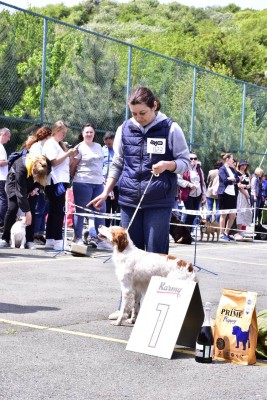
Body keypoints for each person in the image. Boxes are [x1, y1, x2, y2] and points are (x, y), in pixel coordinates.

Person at [88, 86, 190, 319]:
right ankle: (126, 309)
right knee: (127, 258)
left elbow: (185, 161)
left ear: (154, 106)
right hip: (129, 199)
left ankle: (155, 310)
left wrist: (168, 165)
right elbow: (118, 163)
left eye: (142, 113)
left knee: (154, 257)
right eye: (134, 113)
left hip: (158, 200)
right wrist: (106, 191)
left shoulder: (171, 128)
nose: (138, 118)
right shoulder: (125, 129)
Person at [0, 152, 50, 249]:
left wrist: (36, 188)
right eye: (35, 175)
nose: (36, 177)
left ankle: (29, 240)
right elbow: (20, 192)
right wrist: (27, 212)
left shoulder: (46, 164)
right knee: (13, 208)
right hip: (15, 182)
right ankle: (5, 238)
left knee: (33, 210)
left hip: (32, 185)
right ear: (33, 168)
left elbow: (42, 178)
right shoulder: (22, 166)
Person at [42, 120, 78, 251]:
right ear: (56, 131)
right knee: (58, 210)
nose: (64, 135)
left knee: (54, 210)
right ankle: (57, 240)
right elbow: (54, 162)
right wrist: (67, 154)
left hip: (60, 180)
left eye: (65, 133)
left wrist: (70, 155)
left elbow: (64, 163)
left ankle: (51, 239)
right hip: (55, 181)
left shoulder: (58, 144)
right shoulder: (51, 144)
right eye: (62, 132)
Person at [70, 123, 106, 245]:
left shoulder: (99, 146)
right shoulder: (79, 147)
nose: (89, 134)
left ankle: (100, 239)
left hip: (98, 183)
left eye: (91, 132)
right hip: (82, 182)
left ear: (94, 134)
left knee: (100, 211)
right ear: (82, 134)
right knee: (81, 211)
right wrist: (76, 177)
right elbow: (72, 166)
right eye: (87, 132)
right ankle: (78, 238)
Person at [27, 126, 52, 244]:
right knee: (38, 208)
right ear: (46, 136)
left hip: (46, 181)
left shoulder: (47, 147)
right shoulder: (36, 147)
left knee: (44, 209)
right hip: (38, 181)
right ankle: (34, 234)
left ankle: (40, 232)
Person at [177, 152, 206, 231]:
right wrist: (189, 184)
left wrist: (204, 194)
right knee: (190, 213)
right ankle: (185, 231)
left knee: (195, 214)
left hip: (198, 194)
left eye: (195, 158)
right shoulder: (183, 168)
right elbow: (178, 180)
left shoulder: (199, 169)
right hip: (188, 194)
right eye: (191, 158)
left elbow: (202, 182)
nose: (193, 160)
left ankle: (188, 231)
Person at [217, 152, 240, 241]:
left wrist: (232, 179)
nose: (233, 161)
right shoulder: (222, 169)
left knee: (233, 215)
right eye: (231, 159)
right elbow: (224, 181)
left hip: (233, 194)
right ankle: (221, 233)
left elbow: (237, 179)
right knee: (224, 214)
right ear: (227, 159)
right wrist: (231, 180)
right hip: (224, 194)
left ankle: (226, 232)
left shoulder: (232, 169)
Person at [102, 131, 120, 227]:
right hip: (105, 185)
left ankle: (116, 230)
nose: (108, 145)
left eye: (110, 143)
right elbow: (99, 165)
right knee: (106, 209)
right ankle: (106, 230)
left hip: (117, 184)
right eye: (106, 143)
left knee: (116, 208)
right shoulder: (102, 150)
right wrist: (101, 177)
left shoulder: (119, 151)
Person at [234, 159, 252, 240]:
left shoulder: (247, 174)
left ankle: (243, 231)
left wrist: (246, 187)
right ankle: (237, 231)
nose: (244, 166)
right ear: (239, 165)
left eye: (245, 165)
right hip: (240, 194)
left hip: (246, 195)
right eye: (242, 165)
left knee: (245, 212)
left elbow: (249, 185)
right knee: (240, 212)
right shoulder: (237, 173)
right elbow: (239, 185)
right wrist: (245, 187)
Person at [0, 128, 11, 231]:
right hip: (1, 178)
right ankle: (1, 222)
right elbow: (0, 162)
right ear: (3, 134)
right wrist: (10, 160)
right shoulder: (0, 147)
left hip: (2, 177)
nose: (9, 139)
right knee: (4, 200)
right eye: (8, 136)